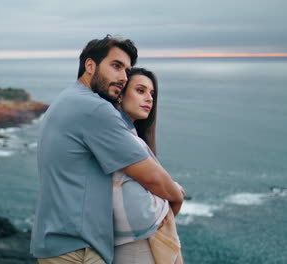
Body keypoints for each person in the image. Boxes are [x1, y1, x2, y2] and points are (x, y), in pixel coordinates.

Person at [30, 35, 184, 264]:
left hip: (57, 239)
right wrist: (177, 197)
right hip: (78, 247)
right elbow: (151, 176)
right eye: (116, 66)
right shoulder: (95, 108)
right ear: (90, 66)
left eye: (126, 70)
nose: (123, 77)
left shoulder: (66, 99)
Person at [112, 68, 184, 264]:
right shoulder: (122, 139)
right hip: (133, 247)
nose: (149, 99)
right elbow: (139, 214)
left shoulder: (132, 138)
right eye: (141, 90)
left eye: (152, 94)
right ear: (120, 94)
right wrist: (175, 193)